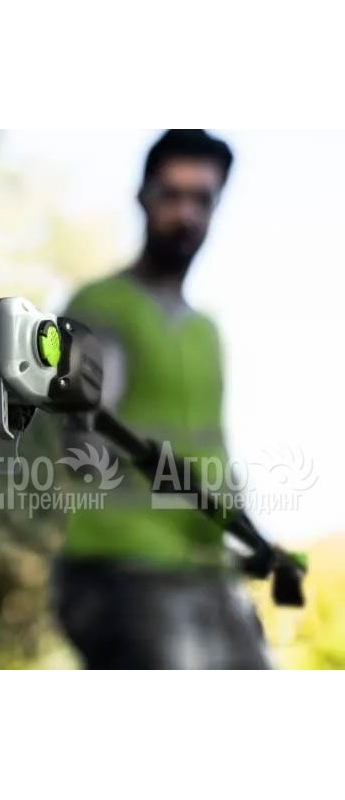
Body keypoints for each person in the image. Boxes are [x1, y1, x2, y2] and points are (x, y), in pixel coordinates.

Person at [52, 129, 270, 669]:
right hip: (120, 570)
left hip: (206, 573)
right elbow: (82, 441)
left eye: (202, 199)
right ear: (143, 198)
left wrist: (248, 536)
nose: (186, 213)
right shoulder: (101, 305)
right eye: (172, 195)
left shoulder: (204, 332)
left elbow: (214, 452)